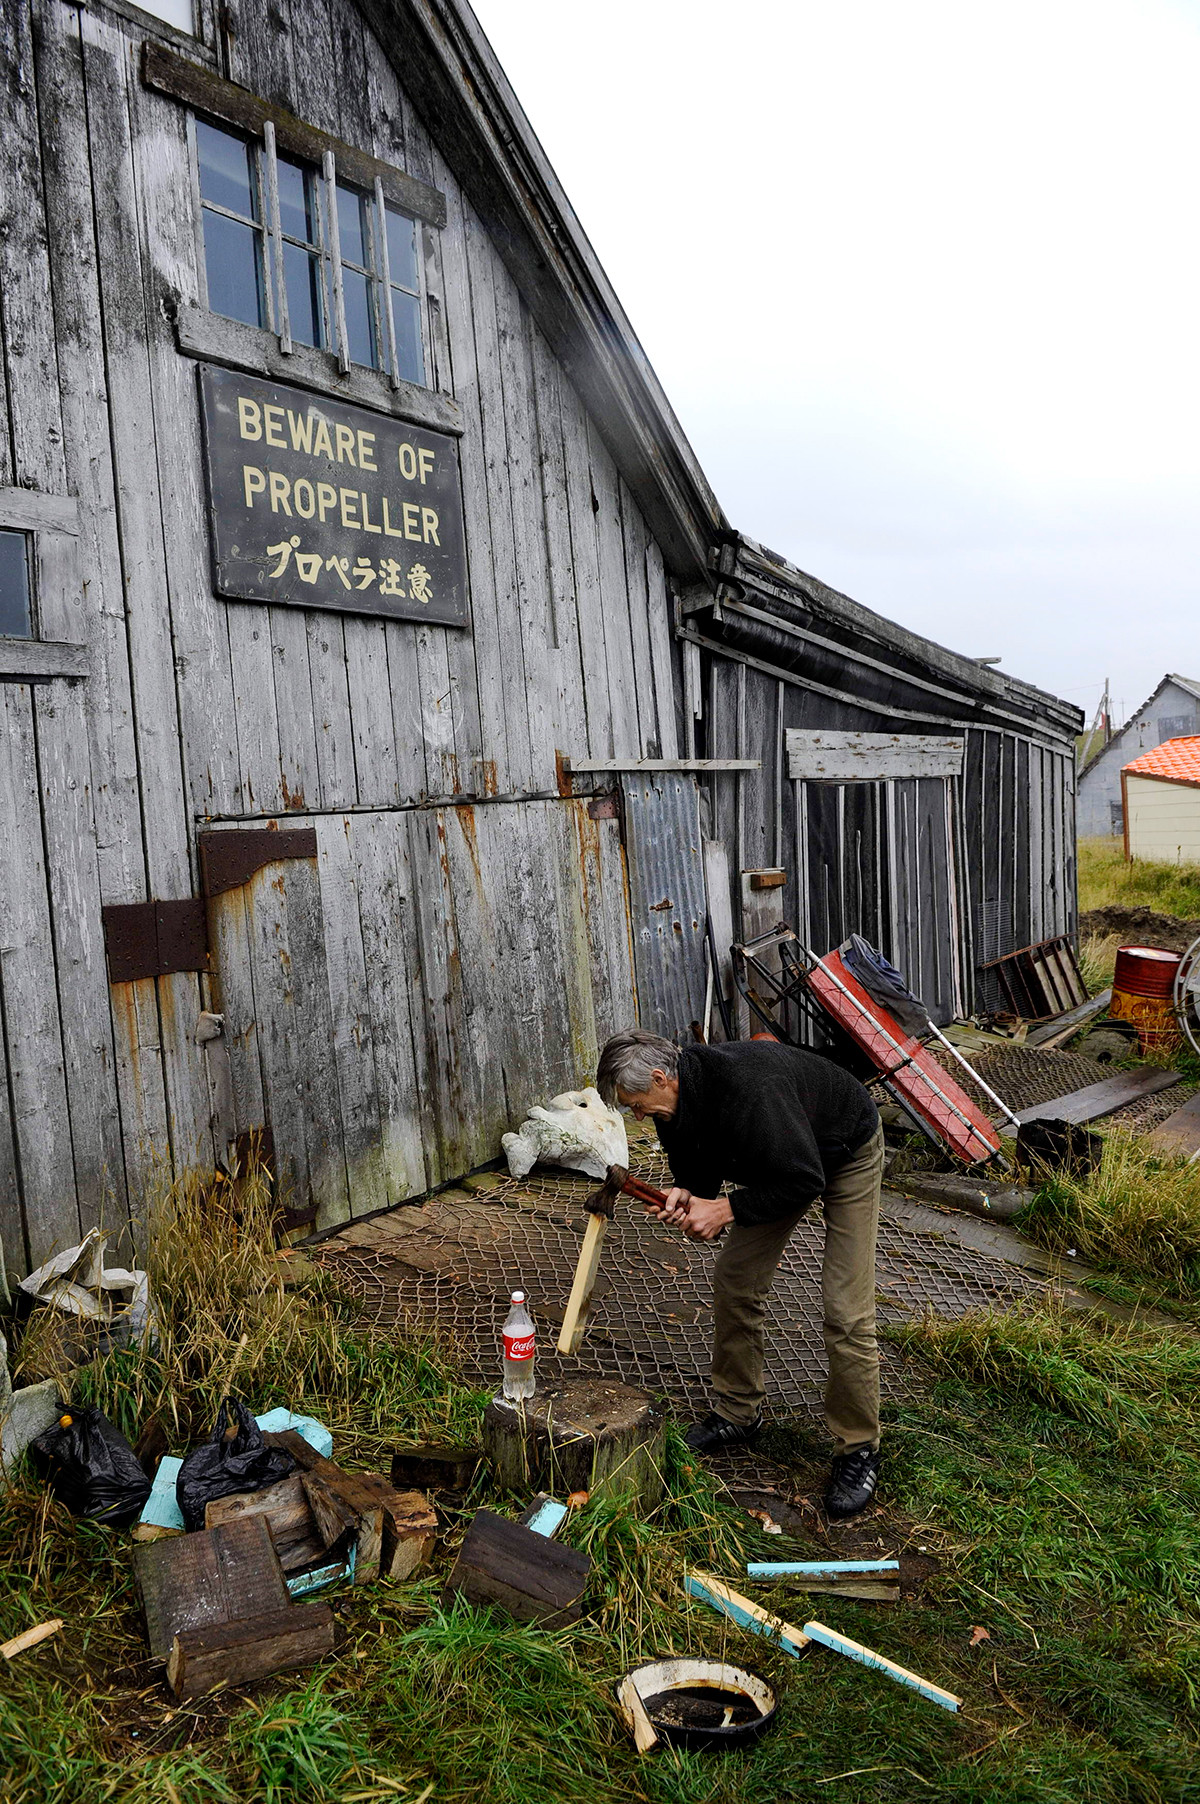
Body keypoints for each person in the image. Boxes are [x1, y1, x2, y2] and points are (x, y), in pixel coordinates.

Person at [596, 1027, 885, 1520]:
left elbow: (804, 1178)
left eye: (636, 1104)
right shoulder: (675, 1106)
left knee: (845, 1309)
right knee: (736, 1277)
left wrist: (725, 1210)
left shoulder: (752, 1088)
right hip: (783, 1161)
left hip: (844, 1150)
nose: (636, 1115)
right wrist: (686, 1196)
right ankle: (737, 1412)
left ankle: (859, 1449)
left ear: (662, 1077)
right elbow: (696, 1170)